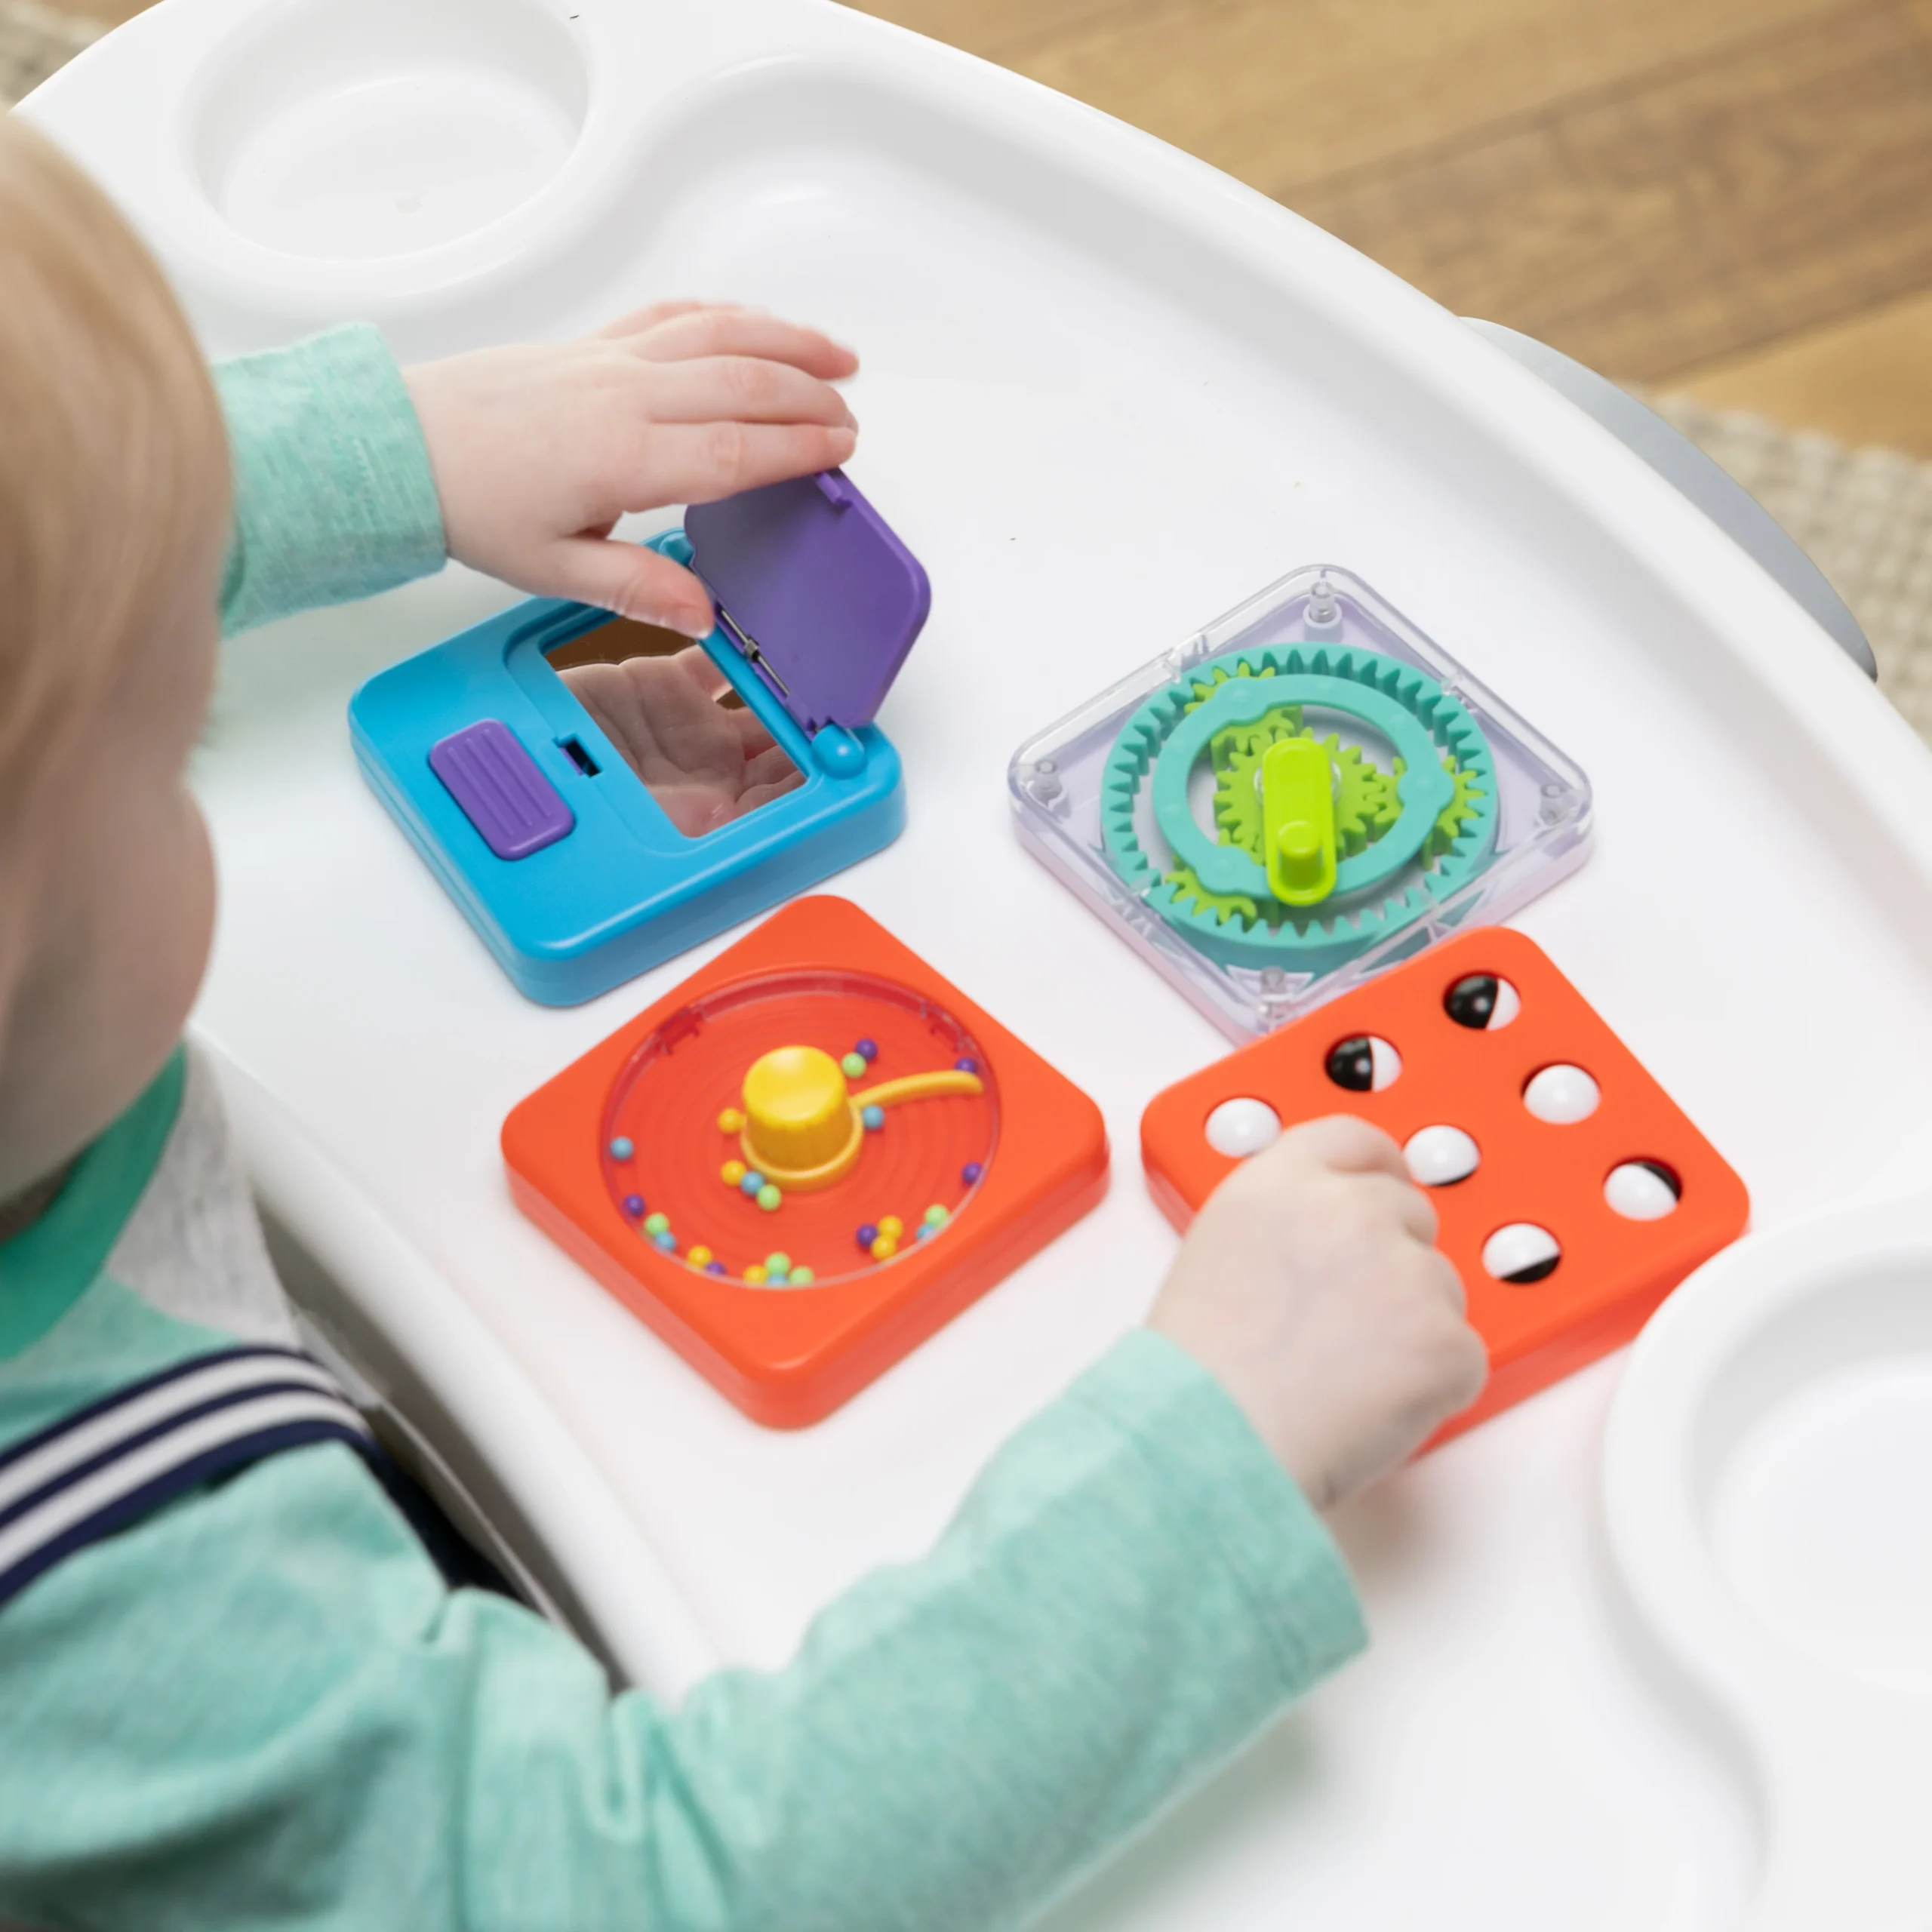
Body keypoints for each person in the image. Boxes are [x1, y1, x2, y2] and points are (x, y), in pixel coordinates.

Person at [0, 114, 1485, 1930]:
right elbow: (655, 1891)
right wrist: (1211, 1464)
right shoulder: (131, 1624)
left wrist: (385, 454)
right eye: (175, 748)